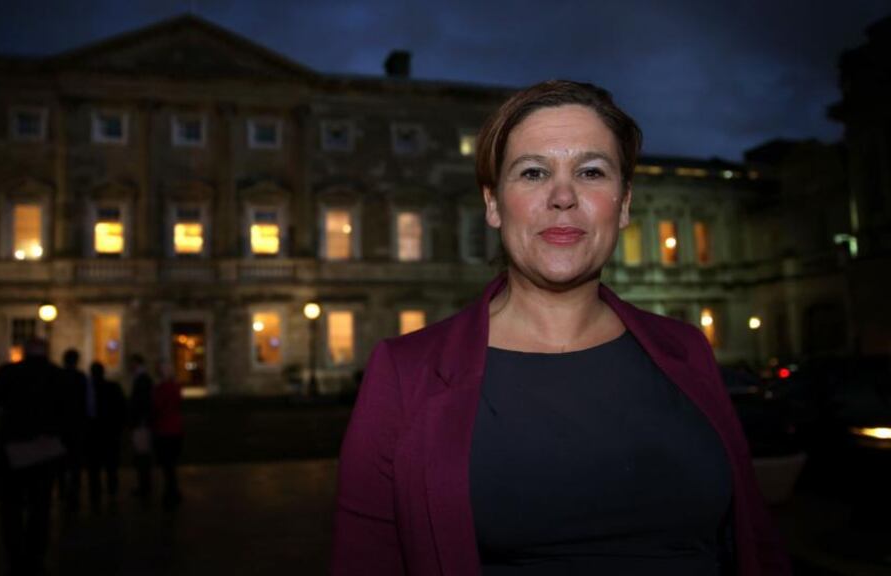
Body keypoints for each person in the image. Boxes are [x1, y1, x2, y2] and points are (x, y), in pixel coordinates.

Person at [332, 80, 791, 575]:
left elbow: (753, 546)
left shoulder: (686, 350)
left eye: (591, 171)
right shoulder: (405, 372)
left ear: (625, 202)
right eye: (533, 172)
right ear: (492, 204)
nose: (564, 196)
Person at [0, 338, 66, 576]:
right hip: (45, 447)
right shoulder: (56, 375)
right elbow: (66, 411)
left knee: (10, 507)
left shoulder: (9, 372)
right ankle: (36, 557)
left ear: (24, 352)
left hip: (14, 448)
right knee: (40, 507)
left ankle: (15, 557)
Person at [86, 361, 126, 510]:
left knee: (94, 468)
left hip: (95, 435)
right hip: (109, 434)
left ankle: (96, 495)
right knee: (111, 466)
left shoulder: (89, 390)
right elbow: (122, 409)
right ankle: (111, 492)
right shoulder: (112, 387)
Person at [58, 348, 88, 512]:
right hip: (76, 425)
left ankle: (63, 489)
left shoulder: (59, 377)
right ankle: (73, 490)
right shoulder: (81, 378)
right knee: (75, 460)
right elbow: (87, 403)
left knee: (63, 460)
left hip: (63, 425)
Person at [152, 360, 184, 508]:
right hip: (173, 429)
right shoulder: (174, 387)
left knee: (168, 464)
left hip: (166, 429)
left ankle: (170, 493)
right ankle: (173, 491)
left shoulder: (165, 388)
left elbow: (158, 406)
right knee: (170, 464)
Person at [128, 353, 154, 502]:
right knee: (141, 455)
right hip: (141, 423)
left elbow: (142, 402)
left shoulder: (142, 379)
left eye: (132, 363)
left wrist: (141, 421)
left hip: (141, 424)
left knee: (142, 455)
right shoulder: (141, 379)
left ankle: (144, 486)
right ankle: (144, 484)